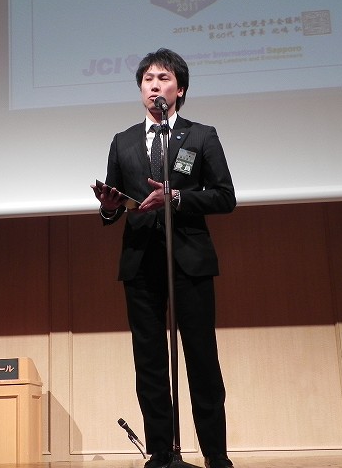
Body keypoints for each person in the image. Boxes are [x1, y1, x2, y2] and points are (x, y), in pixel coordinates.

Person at [91, 48, 236, 468]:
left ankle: (215, 454)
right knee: (149, 361)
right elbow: (114, 208)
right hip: (140, 262)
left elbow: (225, 197)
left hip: (189, 259)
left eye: (164, 78)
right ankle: (160, 452)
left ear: (180, 89)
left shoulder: (201, 135)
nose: (155, 85)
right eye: (148, 79)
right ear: (141, 89)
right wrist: (109, 206)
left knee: (202, 358)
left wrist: (175, 197)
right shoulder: (122, 141)